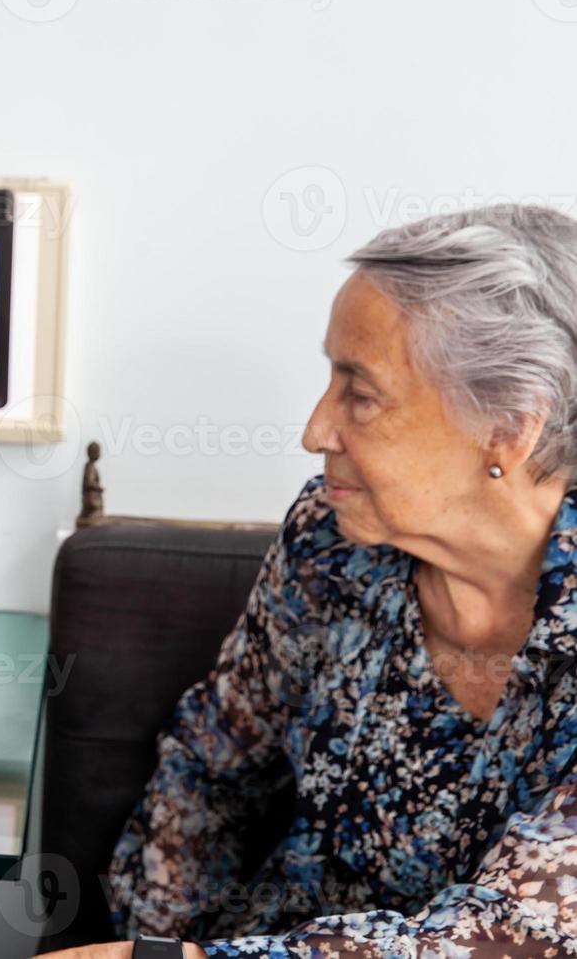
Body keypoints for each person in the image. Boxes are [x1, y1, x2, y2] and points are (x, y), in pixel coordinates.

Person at [45, 204, 577, 957]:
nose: (315, 429)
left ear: (511, 425)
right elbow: (208, 771)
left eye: (359, 394)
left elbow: (521, 937)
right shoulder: (328, 542)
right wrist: (151, 942)